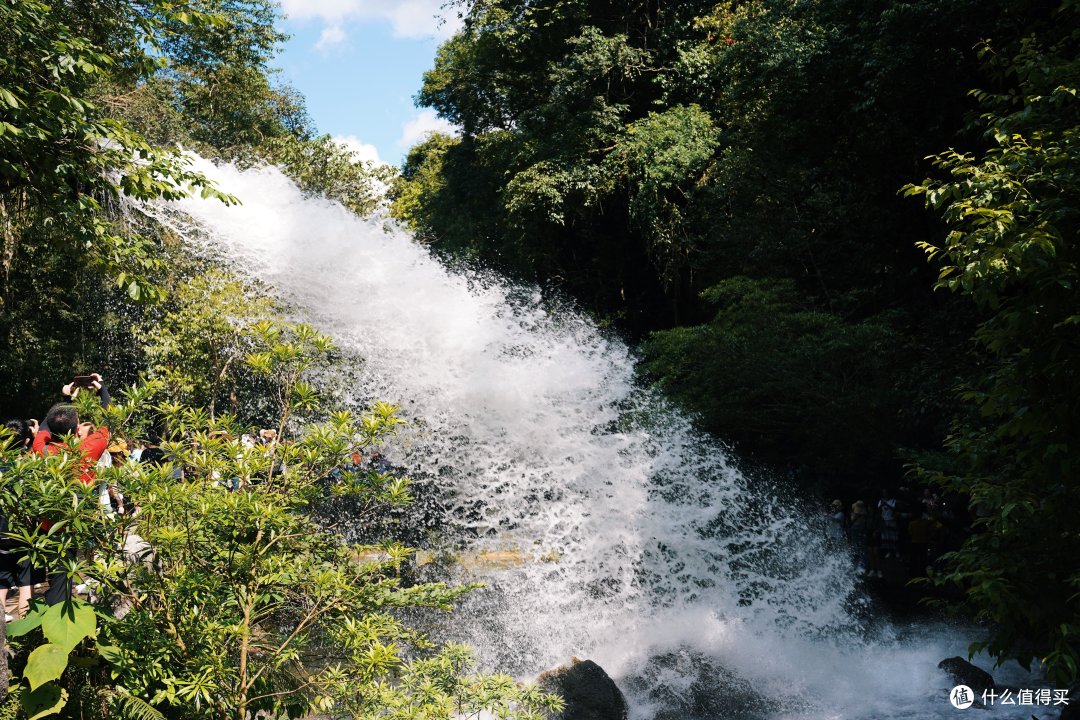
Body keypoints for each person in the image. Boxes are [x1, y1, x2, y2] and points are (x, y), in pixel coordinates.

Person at [32, 375, 112, 605]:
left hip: (51, 524)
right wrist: (101, 390)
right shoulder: (88, 449)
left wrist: (65, 398)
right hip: (80, 522)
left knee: (58, 576)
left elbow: (45, 428)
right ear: (77, 429)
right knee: (85, 567)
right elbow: (109, 421)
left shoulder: (43, 450)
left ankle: (57, 612)